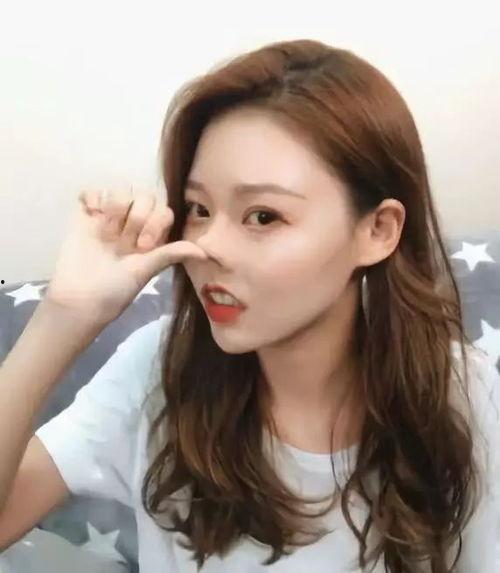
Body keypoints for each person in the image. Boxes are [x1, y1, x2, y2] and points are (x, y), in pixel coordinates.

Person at [0, 38, 498, 572]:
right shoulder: (158, 370)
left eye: (263, 216)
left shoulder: (458, 393)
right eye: (198, 209)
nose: (207, 246)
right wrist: (64, 316)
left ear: (377, 230)